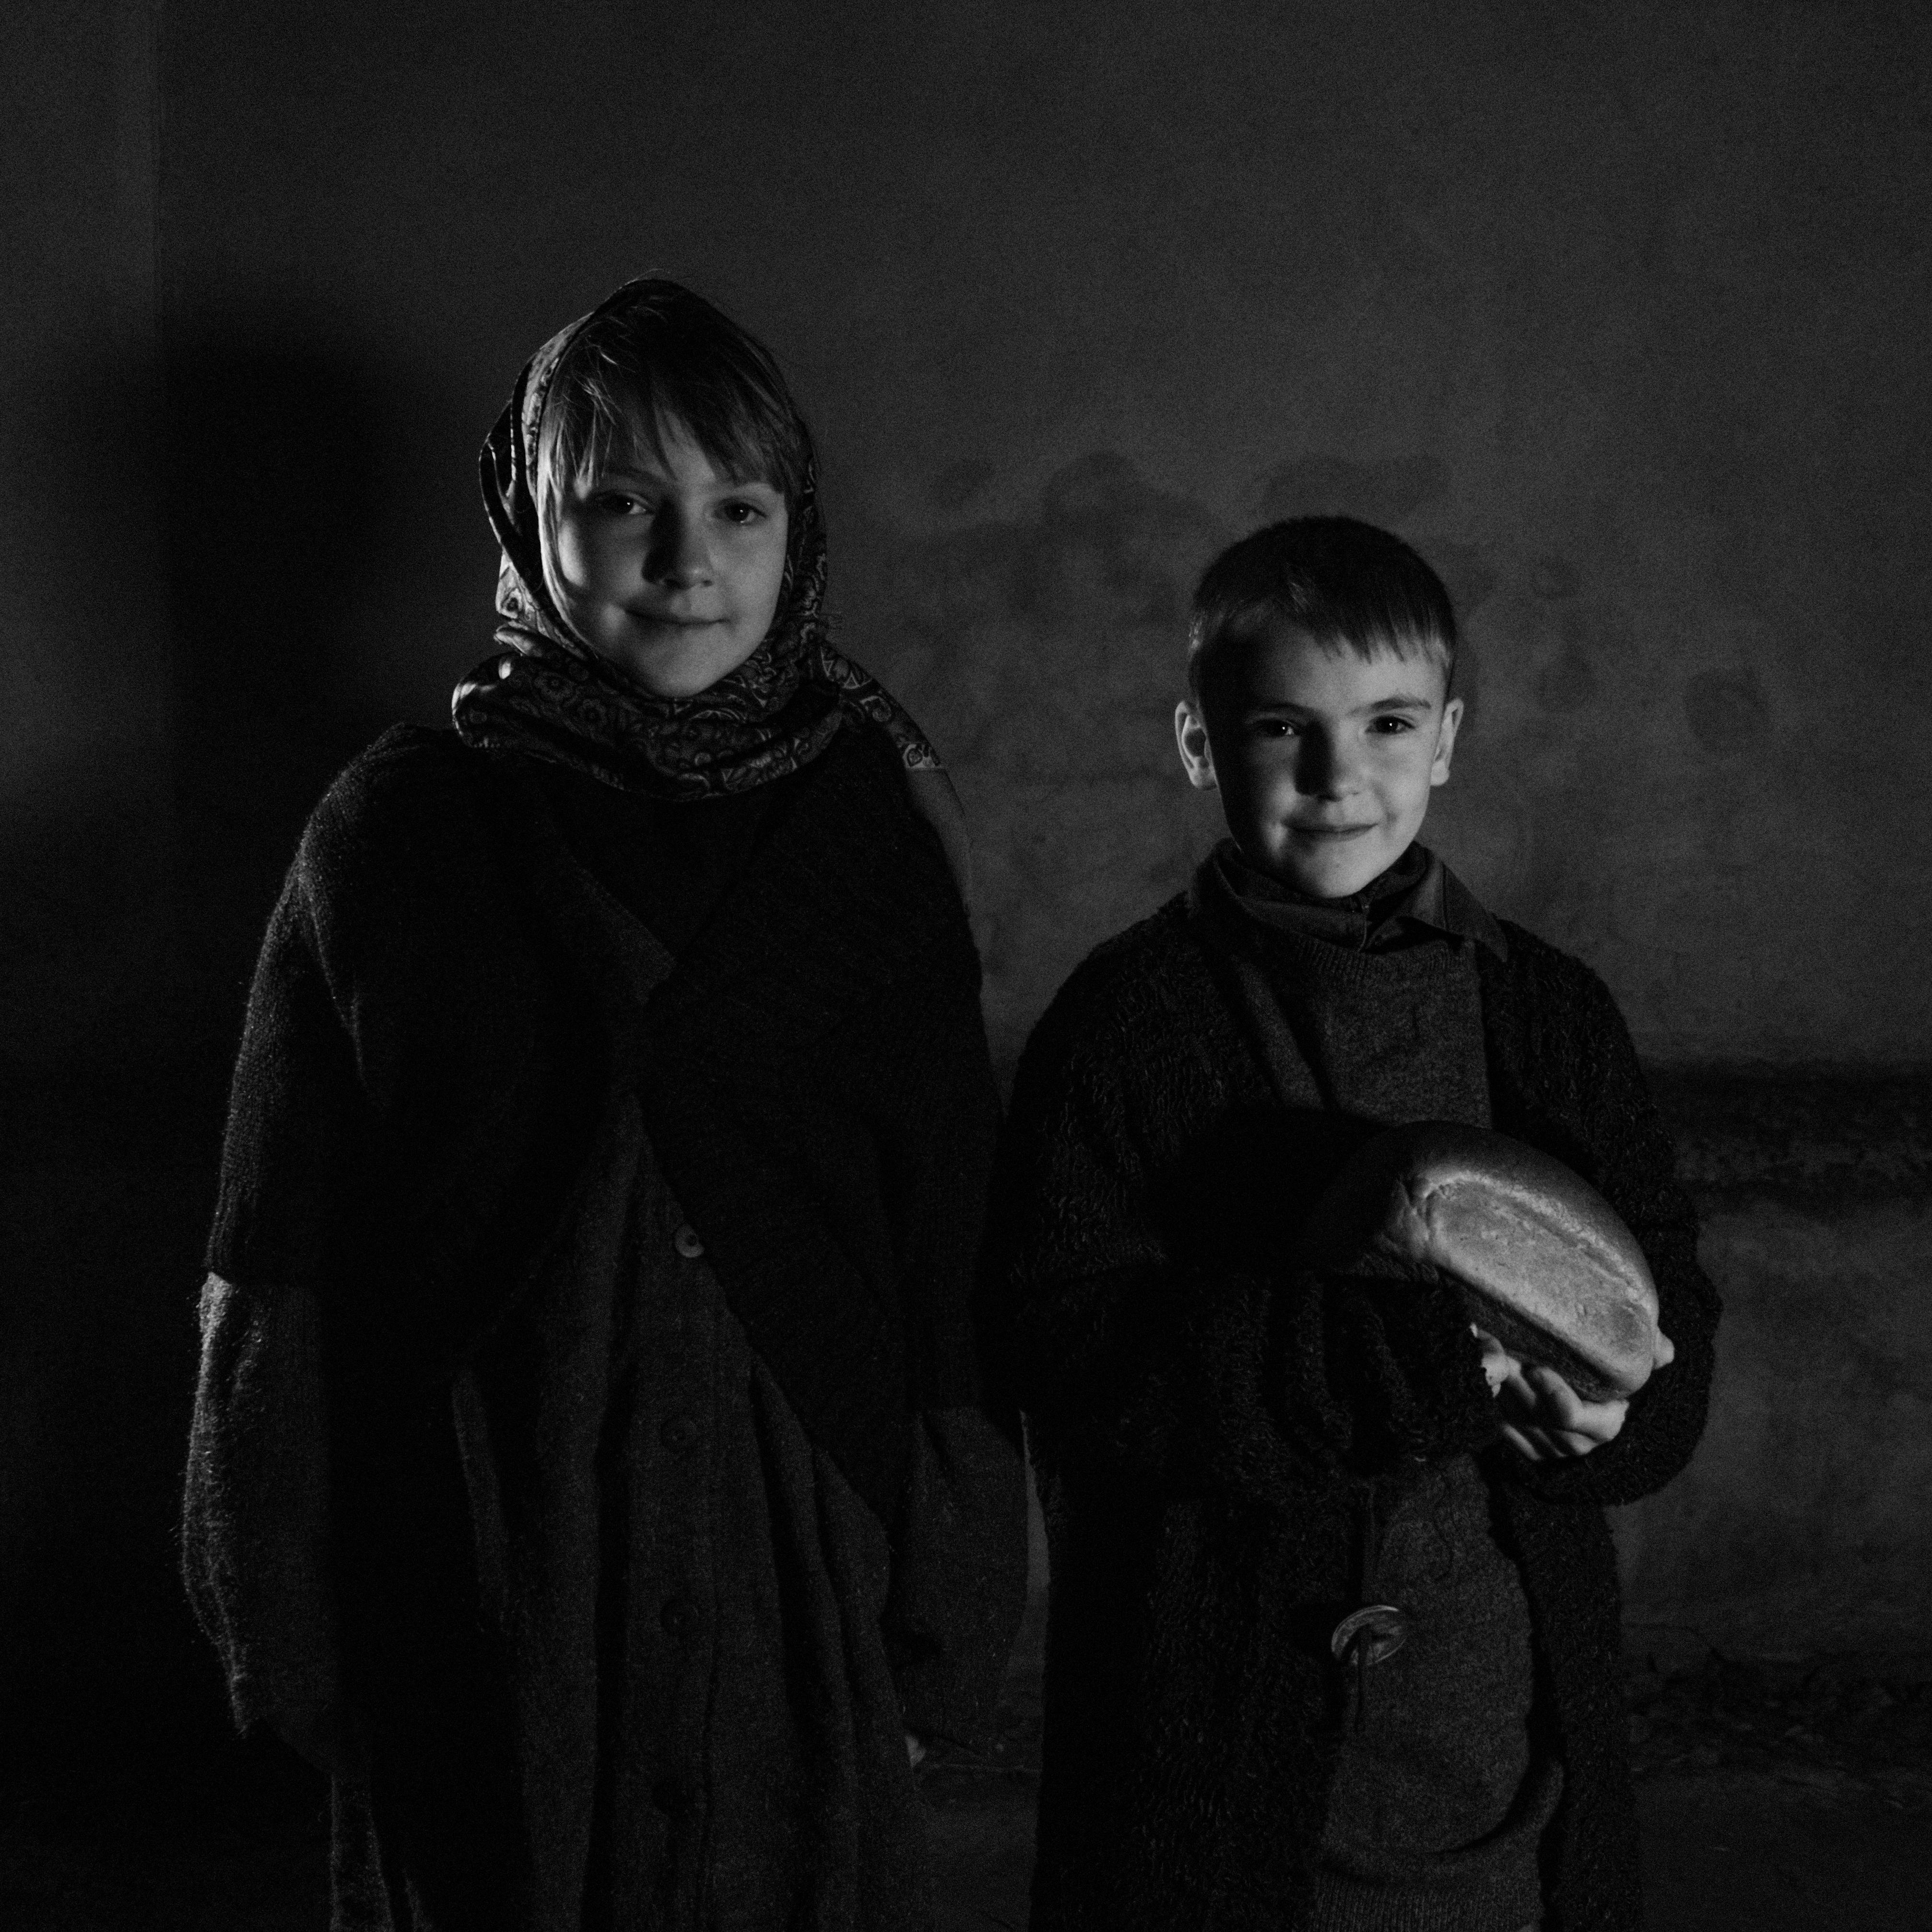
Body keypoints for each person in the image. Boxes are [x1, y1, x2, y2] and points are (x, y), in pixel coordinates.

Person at [183, 277, 1028, 1932]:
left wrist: (955, 1597)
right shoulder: (396, 834)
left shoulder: (860, 830)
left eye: (738, 506)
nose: (685, 557)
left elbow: (941, 1233)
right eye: (622, 502)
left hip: (795, 1536)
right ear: (528, 520)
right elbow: (280, 1245)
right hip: (488, 1531)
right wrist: (277, 1608)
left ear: (799, 531)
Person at [990, 517, 1719, 1932]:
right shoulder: (1125, 1027)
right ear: (1200, 745)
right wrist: (1407, 1362)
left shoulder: (1549, 1011)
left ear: (1446, 736)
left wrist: (1623, 1419)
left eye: (1386, 724)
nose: (1339, 779)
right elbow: (1066, 1345)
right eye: (1281, 730)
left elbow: (1666, 1289)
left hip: (1500, 1732)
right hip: (1211, 1743)